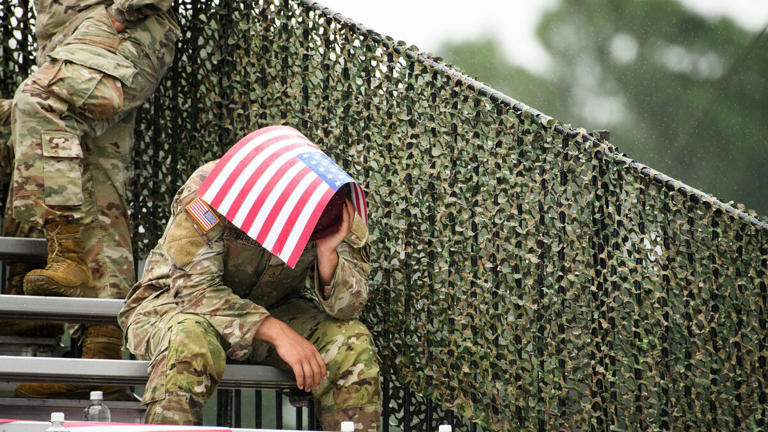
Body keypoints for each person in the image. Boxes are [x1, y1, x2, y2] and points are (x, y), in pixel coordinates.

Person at [119, 145, 381, 429]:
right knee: (190, 338)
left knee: (351, 342)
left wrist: (327, 254)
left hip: (274, 307)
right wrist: (276, 332)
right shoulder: (212, 188)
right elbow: (193, 290)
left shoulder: (335, 206)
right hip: (174, 304)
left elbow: (348, 309)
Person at [5, 0, 180, 399]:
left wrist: (122, 11)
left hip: (117, 32)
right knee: (98, 188)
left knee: (38, 102)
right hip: (82, 41)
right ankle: (100, 358)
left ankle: (65, 254)